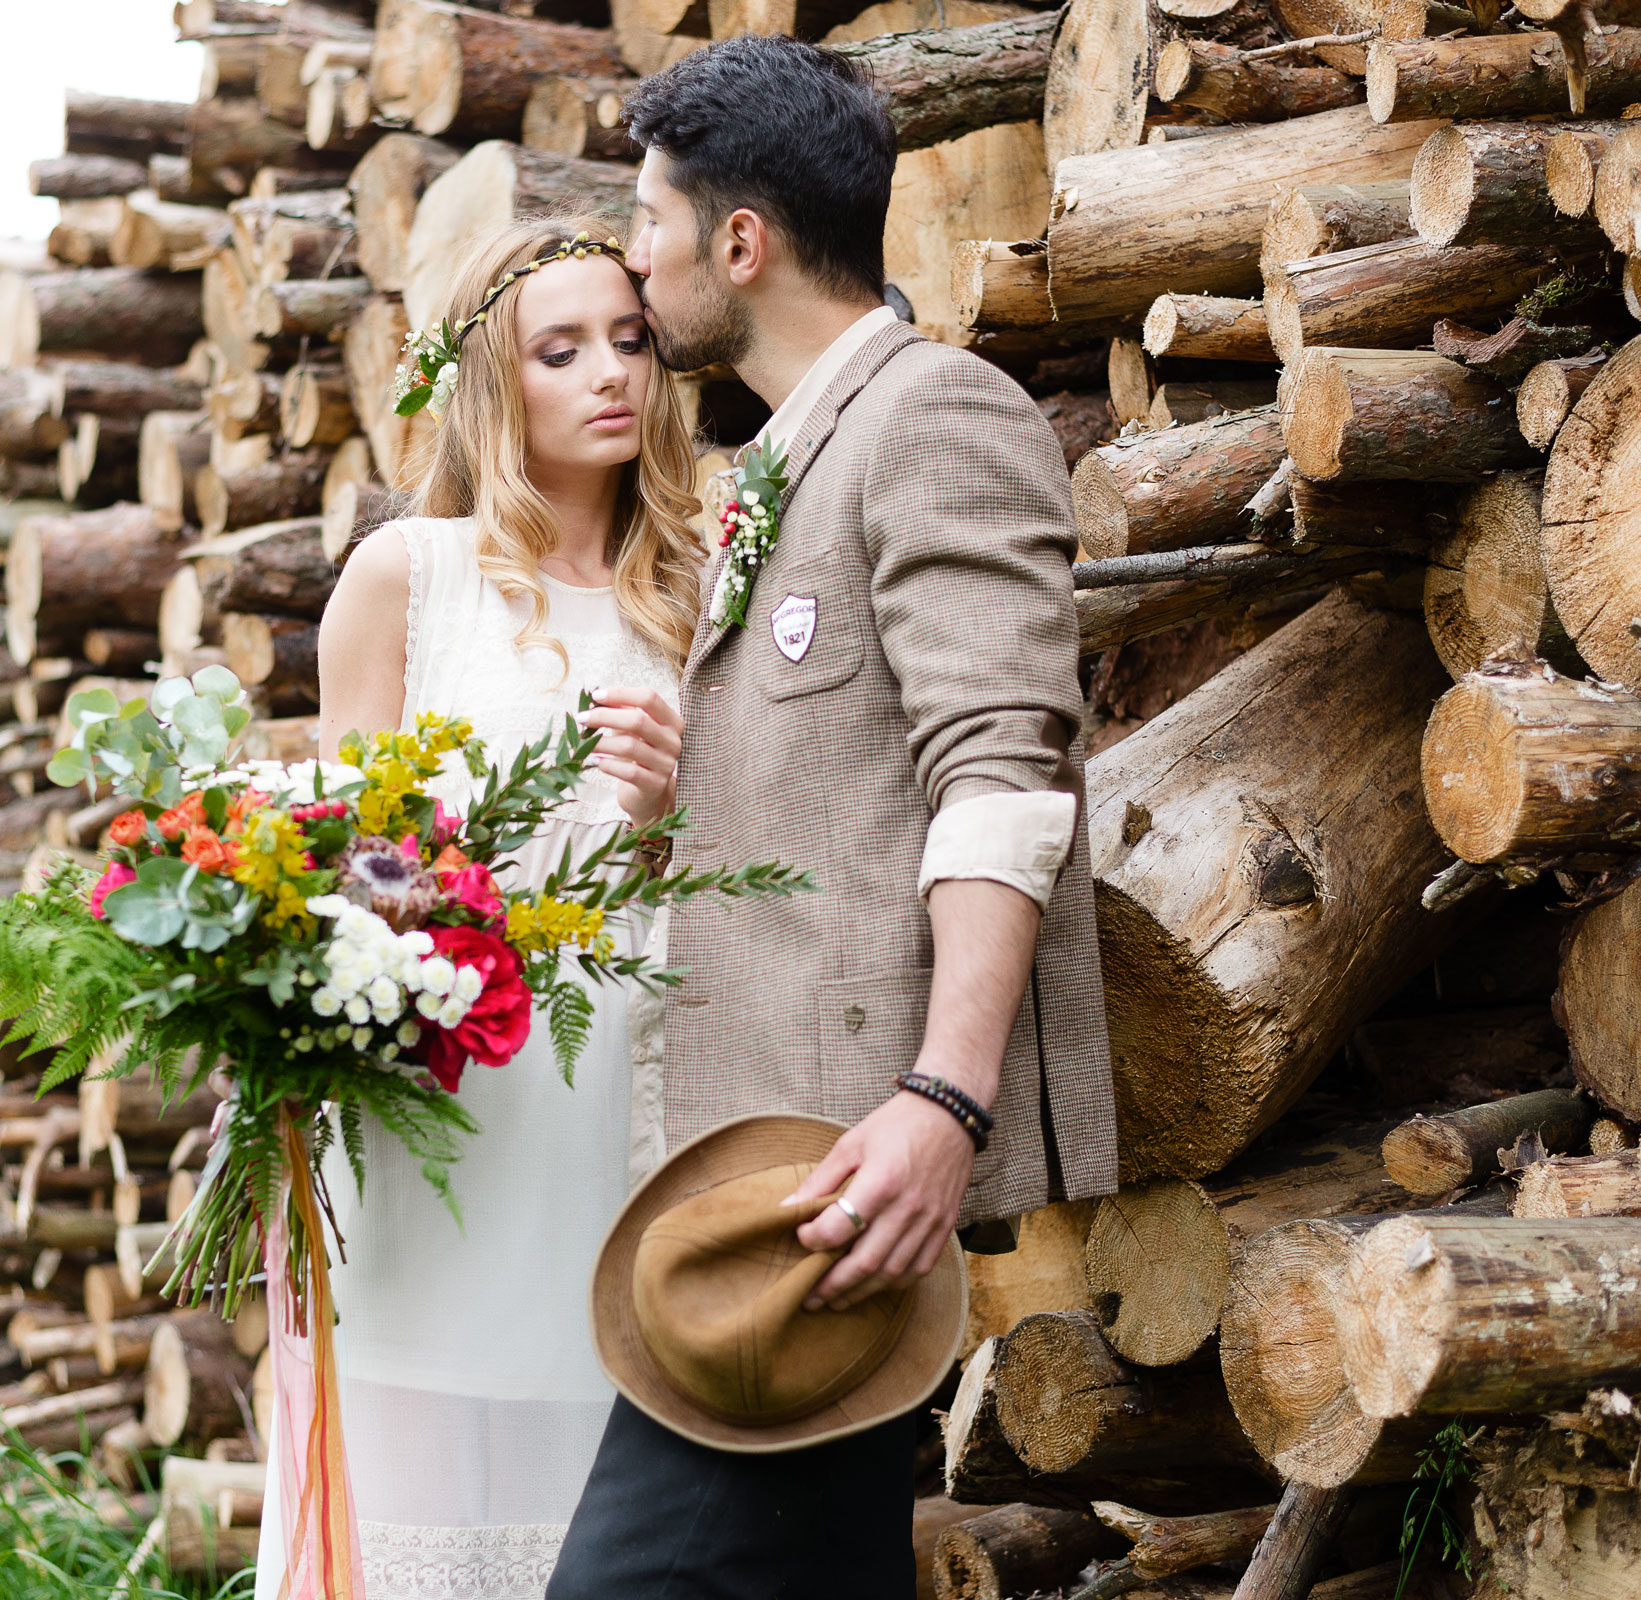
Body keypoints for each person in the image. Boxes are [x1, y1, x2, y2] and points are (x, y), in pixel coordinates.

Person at [546, 36, 1118, 1598]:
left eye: (651, 227)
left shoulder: (937, 415)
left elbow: (1001, 774)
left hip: (847, 1163)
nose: (636, 263)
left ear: (743, 243)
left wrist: (945, 1101)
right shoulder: (776, 461)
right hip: (760, 1157)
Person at [252, 215, 705, 1599]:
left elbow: (759, 866)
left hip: (625, 1096)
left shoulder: (696, 589)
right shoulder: (409, 577)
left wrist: (662, 815)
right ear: (494, 383)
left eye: (629, 341)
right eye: (559, 351)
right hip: (441, 1109)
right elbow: (343, 866)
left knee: (605, 1491)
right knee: (426, 1499)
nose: (607, 375)